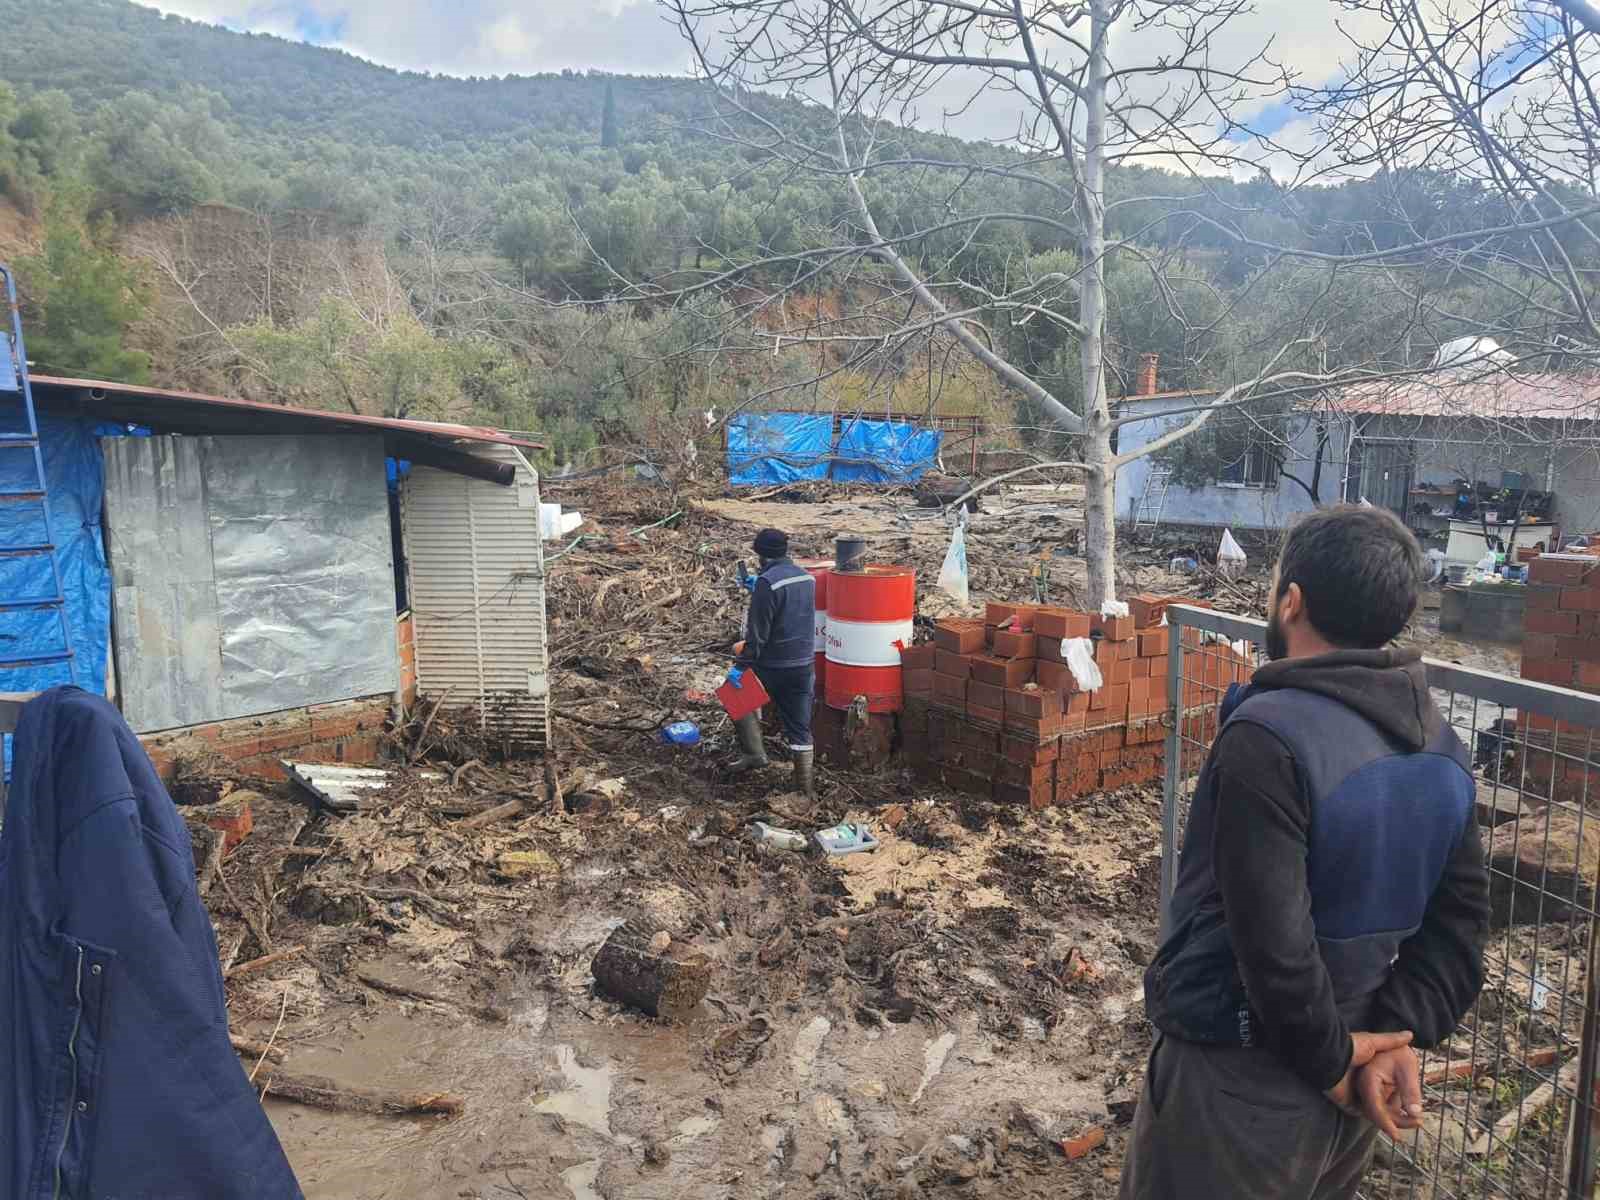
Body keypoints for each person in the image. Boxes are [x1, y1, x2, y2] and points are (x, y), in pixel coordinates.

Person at [1121, 505, 1489, 1200]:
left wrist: (1334, 1062)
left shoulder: (1268, 739)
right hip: (1358, 1080)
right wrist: (1390, 1039)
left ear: (1291, 601)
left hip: (1239, 1081)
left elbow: (1274, 946)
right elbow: (1461, 932)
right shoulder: (1444, 749)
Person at [728, 527, 816, 798]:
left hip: (774, 664)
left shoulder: (768, 584)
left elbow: (757, 636)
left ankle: (755, 754)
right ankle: (805, 789)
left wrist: (740, 667)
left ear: (760, 554)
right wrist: (762, 586)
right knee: (799, 727)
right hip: (804, 664)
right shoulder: (806, 577)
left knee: (734, 693)